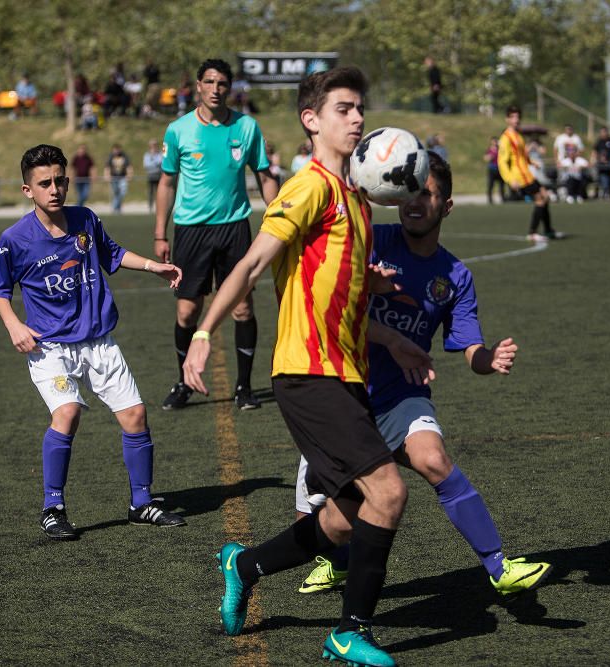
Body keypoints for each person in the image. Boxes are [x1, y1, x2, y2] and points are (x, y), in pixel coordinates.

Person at [183, 65, 434, 667]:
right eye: (343, 109)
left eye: (359, 108)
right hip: (306, 373)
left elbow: (334, 296)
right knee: (390, 492)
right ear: (311, 120)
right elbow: (249, 262)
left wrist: (384, 326)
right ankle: (351, 631)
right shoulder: (309, 186)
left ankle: (244, 565)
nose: (357, 119)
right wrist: (201, 332)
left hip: (345, 375)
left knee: (348, 520)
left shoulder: (358, 198)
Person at [293, 152, 552, 601]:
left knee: (433, 460)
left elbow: (469, 348)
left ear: (446, 206)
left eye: (428, 195)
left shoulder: (455, 276)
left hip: (402, 395)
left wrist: (487, 359)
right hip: (342, 392)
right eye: (411, 193)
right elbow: (329, 299)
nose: (417, 203)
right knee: (320, 514)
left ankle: (498, 566)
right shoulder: (372, 240)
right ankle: (334, 562)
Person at [0, 144, 187, 541]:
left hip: (99, 341)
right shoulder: (15, 239)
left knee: (135, 416)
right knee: (67, 414)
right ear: (28, 190)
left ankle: (141, 503)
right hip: (51, 348)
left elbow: (111, 254)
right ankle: (53, 508)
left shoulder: (85, 220)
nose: (55, 189)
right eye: (44, 183)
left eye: (60, 180)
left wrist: (152, 266)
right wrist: (14, 325)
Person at [154, 58, 279, 411]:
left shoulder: (247, 127)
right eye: (208, 82)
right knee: (186, 313)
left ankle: (244, 387)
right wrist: (160, 235)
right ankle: (183, 381)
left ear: (229, 88)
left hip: (234, 229)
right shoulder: (178, 130)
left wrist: (281, 217)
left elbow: (265, 175)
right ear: (197, 85)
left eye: (222, 83)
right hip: (190, 231)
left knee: (242, 307)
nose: (215, 89)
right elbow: (166, 182)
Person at [497, 104, 563, 242]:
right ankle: (532, 232)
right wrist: (509, 179)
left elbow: (523, 155)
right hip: (519, 177)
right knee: (540, 198)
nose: (516, 119)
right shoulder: (506, 138)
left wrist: (532, 162)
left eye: (518, 116)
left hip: (527, 174)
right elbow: (502, 162)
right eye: (513, 117)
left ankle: (548, 230)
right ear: (507, 119)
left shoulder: (518, 136)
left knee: (544, 196)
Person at [104, 144, 132, 214]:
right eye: (115, 149)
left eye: (117, 149)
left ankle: (115, 207)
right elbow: (107, 167)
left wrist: (129, 174)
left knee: (123, 192)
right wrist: (107, 175)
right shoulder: (111, 157)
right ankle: (117, 208)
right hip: (114, 177)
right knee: (116, 192)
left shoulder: (124, 156)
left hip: (122, 177)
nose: (116, 151)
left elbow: (129, 166)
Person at [592, 126, 610, 199]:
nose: (603, 133)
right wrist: (595, 159)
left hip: (609, 163)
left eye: (604, 132)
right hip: (600, 164)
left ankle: (609, 193)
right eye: (602, 132)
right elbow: (594, 152)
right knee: (601, 178)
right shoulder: (598, 141)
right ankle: (603, 192)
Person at [483, 136, 506, 204]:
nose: (495, 142)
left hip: (500, 169)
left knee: (501, 185)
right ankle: (490, 199)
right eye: (494, 141)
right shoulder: (489, 150)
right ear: (491, 142)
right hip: (492, 169)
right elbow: (485, 158)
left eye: (496, 141)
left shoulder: (500, 149)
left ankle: (503, 198)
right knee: (490, 185)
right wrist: (489, 157)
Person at [142, 139, 163, 212]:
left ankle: (159, 207)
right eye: (152, 145)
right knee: (150, 192)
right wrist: (155, 163)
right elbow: (146, 165)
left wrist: (153, 162)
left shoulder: (160, 153)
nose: (153, 147)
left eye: (155, 145)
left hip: (159, 175)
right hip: (151, 175)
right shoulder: (147, 154)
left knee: (159, 192)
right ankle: (150, 207)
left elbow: (161, 162)